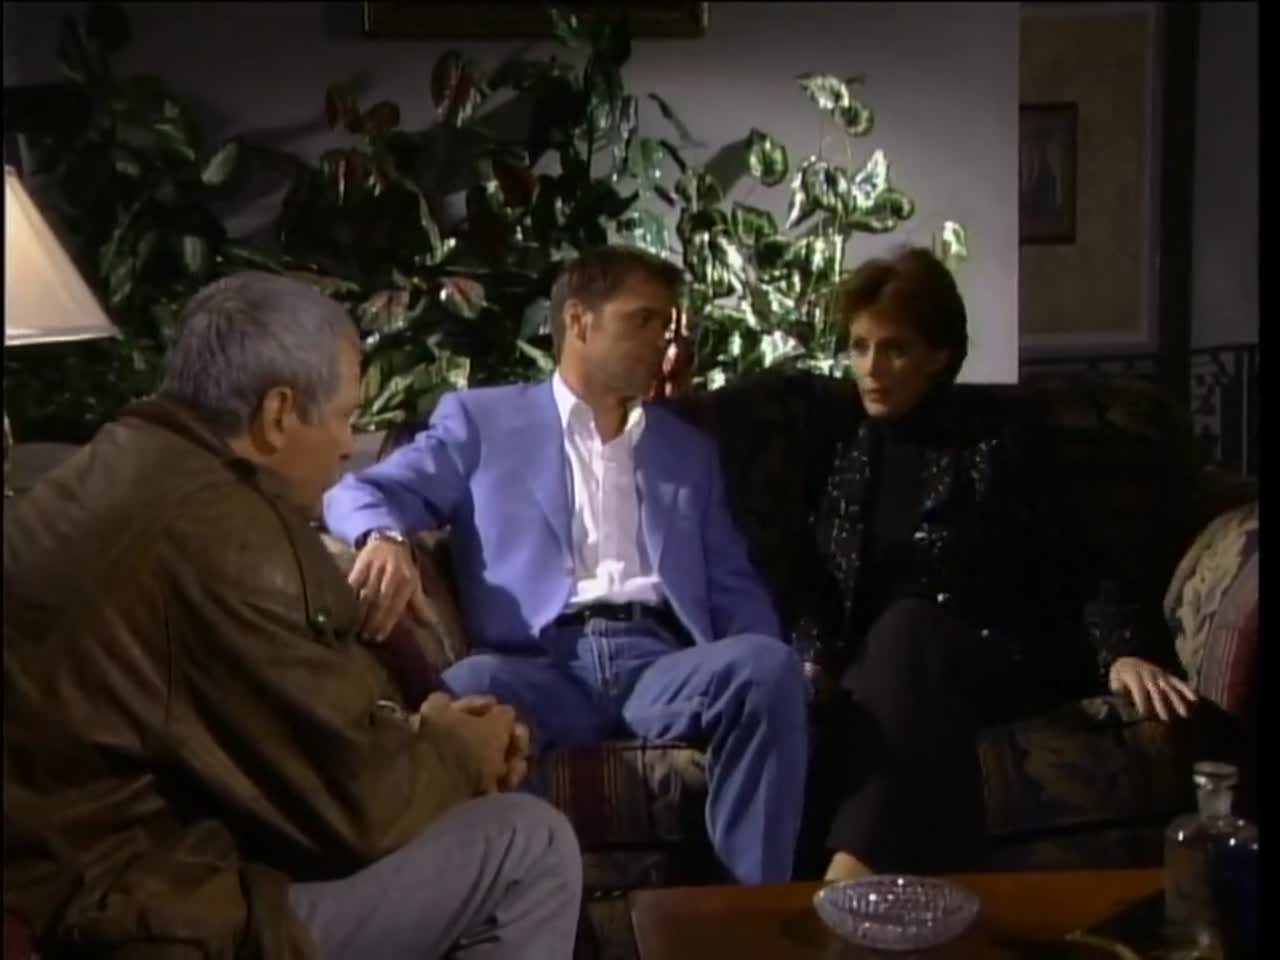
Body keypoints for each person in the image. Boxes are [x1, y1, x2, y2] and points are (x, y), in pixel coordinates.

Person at [3, 272, 583, 959]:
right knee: (530, 845)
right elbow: (358, 807)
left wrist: (423, 733)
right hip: (135, 906)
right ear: (278, 413)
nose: (346, 444)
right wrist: (458, 750)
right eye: (343, 417)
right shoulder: (227, 533)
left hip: (78, 871)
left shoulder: (113, 463)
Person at [323, 245, 809, 885]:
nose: (662, 344)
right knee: (467, 691)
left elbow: (732, 585)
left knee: (767, 668)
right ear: (579, 321)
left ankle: (745, 913)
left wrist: (777, 661)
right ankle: (535, 906)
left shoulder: (687, 451)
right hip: (541, 665)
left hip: (659, 665)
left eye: (666, 326)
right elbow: (357, 492)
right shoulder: (483, 420)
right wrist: (383, 536)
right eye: (643, 321)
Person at [791, 247, 1199, 883]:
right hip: (881, 671)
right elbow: (813, 578)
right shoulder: (844, 450)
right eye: (860, 347)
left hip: (993, 651)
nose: (871, 368)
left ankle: (849, 878)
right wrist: (812, 658)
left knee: (907, 628)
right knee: (871, 678)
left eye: (895, 349)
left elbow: (1078, 553)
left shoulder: (999, 437)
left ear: (939, 356)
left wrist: (1121, 650)